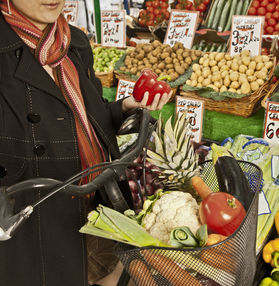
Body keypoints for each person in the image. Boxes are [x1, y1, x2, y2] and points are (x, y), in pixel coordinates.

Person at [0, 0, 171, 285]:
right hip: (36, 225)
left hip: (95, 207)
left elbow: (85, 114)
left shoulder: (74, 42)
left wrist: (125, 107)